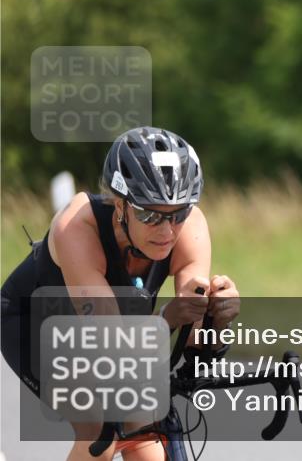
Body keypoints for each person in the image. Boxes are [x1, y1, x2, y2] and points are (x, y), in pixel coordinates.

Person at [1, 126, 241, 461]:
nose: (167, 230)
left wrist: (217, 318)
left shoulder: (190, 229)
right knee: (100, 429)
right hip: (37, 323)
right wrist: (168, 317)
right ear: (119, 205)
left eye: (179, 214)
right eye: (148, 214)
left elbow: (194, 345)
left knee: (145, 436)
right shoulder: (76, 227)